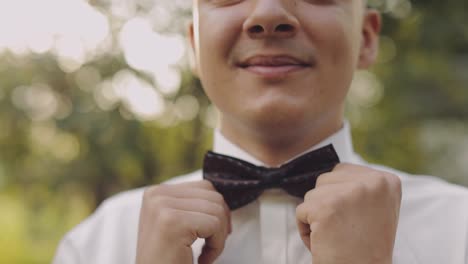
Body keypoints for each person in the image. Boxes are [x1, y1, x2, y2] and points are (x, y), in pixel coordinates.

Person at [53, 0, 468, 263]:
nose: (268, 14)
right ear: (195, 44)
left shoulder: (459, 230)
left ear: (365, 39)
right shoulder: (95, 246)